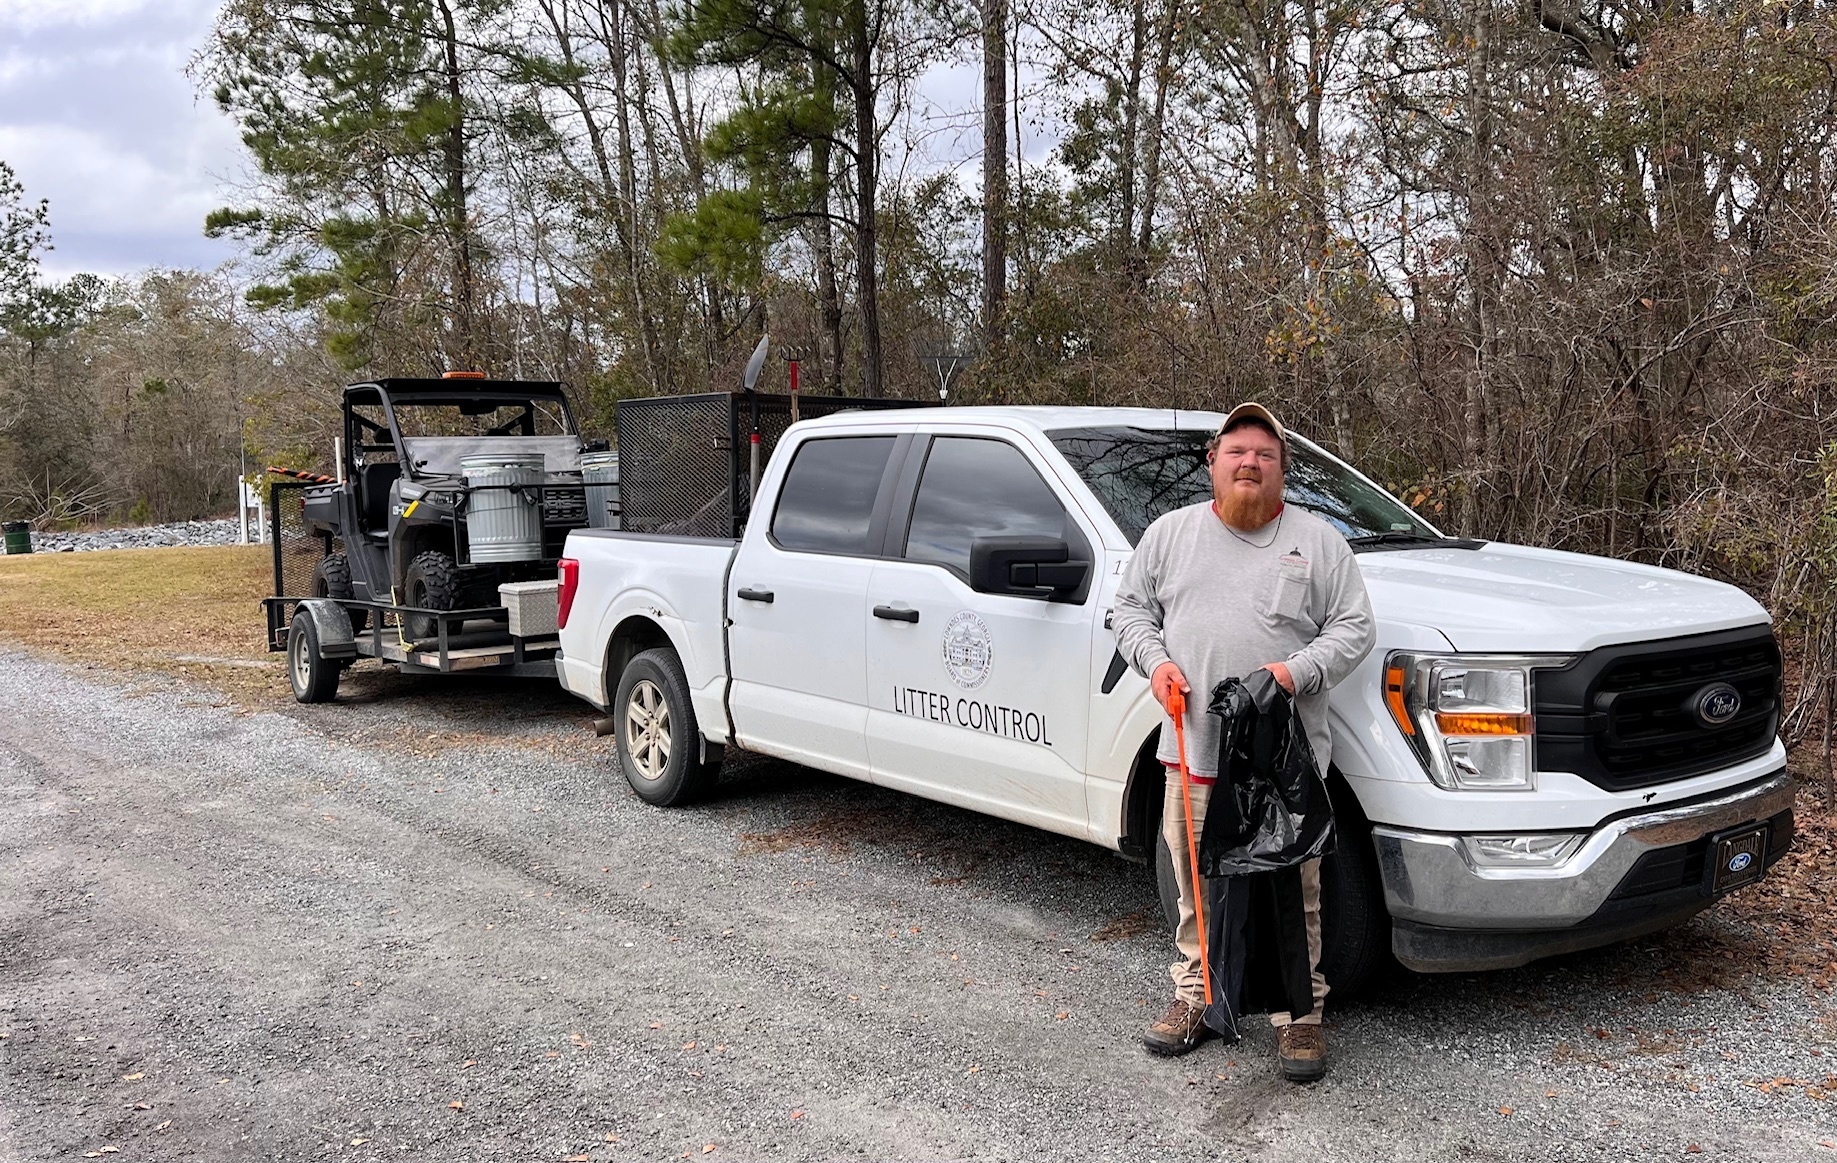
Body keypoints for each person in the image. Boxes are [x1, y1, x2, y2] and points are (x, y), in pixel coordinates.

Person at [1112, 402, 1375, 1080]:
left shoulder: (1319, 542)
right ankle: (1194, 996)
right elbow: (1129, 609)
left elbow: (1352, 630)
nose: (1249, 461)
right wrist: (1156, 662)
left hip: (1285, 768)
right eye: (1237, 451)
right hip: (1190, 753)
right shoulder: (1169, 535)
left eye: (1264, 453)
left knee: (1294, 894)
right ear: (1213, 464)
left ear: (1282, 470)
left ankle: (1300, 1017)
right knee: (1196, 890)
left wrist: (1291, 673)